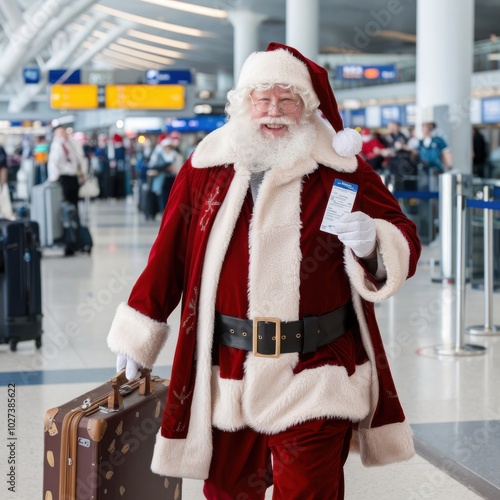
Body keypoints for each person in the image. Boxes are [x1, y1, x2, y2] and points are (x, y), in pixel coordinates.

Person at [106, 42, 421, 499]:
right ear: (244, 103)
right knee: (229, 493)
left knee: (309, 491)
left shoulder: (341, 169)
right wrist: (140, 335)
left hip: (317, 371)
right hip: (227, 371)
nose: (274, 111)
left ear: (306, 107)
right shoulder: (206, 167)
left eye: (287, 99)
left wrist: (374, 244)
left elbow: (403, 234)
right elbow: (169, 256)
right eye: (262, 98)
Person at [47, 125, 82, 255]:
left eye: (63, 132)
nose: (62, 135)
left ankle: (75, 239)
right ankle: (69, 242)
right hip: (63, 180)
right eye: (59, 132)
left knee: (74, 210)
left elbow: (78, 159)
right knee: (66, 211)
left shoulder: (71, 144)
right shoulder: (56, 145)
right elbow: (53, 163)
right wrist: (53, 179)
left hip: (73, 179)